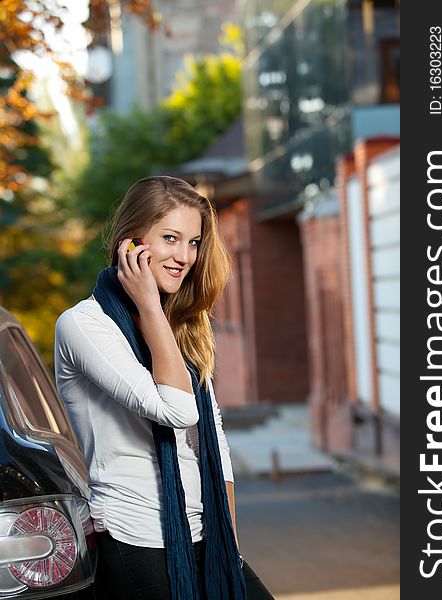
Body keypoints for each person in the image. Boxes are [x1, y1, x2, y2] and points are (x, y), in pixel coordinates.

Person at [54, 176, 246, 599]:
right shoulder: (84, 325)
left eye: (193, 242)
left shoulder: (180, 327)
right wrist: (147, 304)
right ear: (131, 244)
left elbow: (211, 440)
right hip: (136, 538)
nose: (184, 256)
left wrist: (229, 546)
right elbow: (178, 410)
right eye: (170, 238)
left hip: (204, 532)